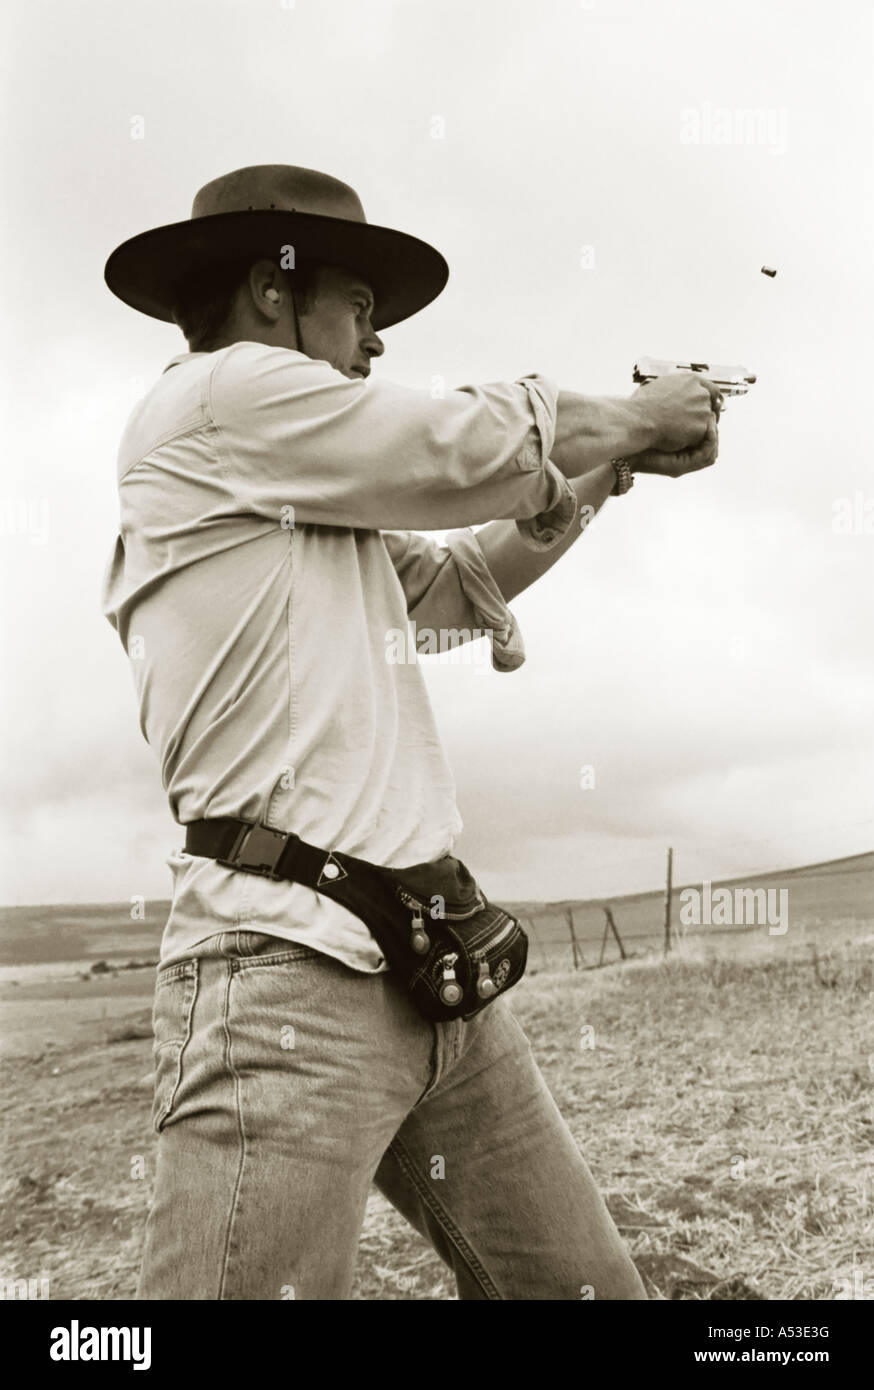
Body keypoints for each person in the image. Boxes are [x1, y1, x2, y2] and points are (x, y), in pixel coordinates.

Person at [102, 164, 720, 1300]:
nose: (375, 343)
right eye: (360, 306)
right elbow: (454, 443)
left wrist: (606, 466)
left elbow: (460, 580)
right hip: (282, 984)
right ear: (273, 292)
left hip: (429, 966)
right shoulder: (222, 398)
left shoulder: (300, 491)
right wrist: (630, 412)